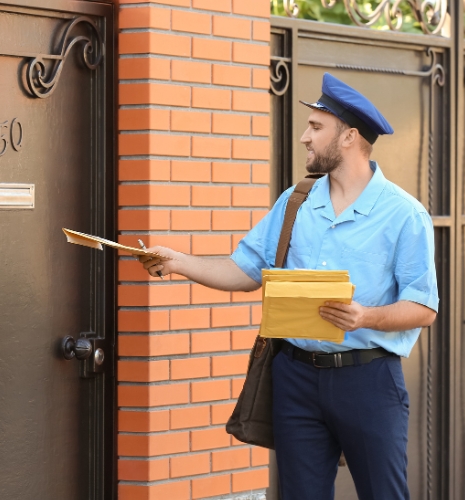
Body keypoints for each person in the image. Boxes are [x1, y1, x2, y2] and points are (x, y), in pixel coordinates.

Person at [140, 73, 439, 500]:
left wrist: (365, 317)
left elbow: (423, 308)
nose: (304, 137)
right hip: (295, 376)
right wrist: (177, 263)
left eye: (317, 127)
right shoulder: (296, 202)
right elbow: (245, 270)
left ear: (350, 136)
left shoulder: (404, 215)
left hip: (369, 380)